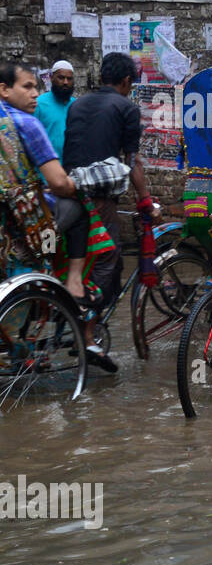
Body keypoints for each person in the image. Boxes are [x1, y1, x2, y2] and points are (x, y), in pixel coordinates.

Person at [62, 52, 159, 371]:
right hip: (99, 200)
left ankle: (79, 323)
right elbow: (132, 164)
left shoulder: (77, 104)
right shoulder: (126, 107)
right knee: (108, 257)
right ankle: (87, 336)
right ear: (127, 81)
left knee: (84, 261)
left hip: (68, 193)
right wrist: (146, 200)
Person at [0, 62, 88, 303]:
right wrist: (74, 188)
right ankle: (64, 274)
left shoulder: (72, 105)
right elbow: (59, 183)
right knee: (76, 212)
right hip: (25, 213)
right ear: (4, 90)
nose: (34, 93)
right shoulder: (26, 122)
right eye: (27, 87)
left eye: (35, 87)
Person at [34, 60, 75, 158]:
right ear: (51, 78)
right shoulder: (39, 104)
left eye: (69, 79)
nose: (65, 82)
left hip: (72, 168)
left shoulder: (77, 105)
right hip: (46, 168)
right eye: (61, 78)